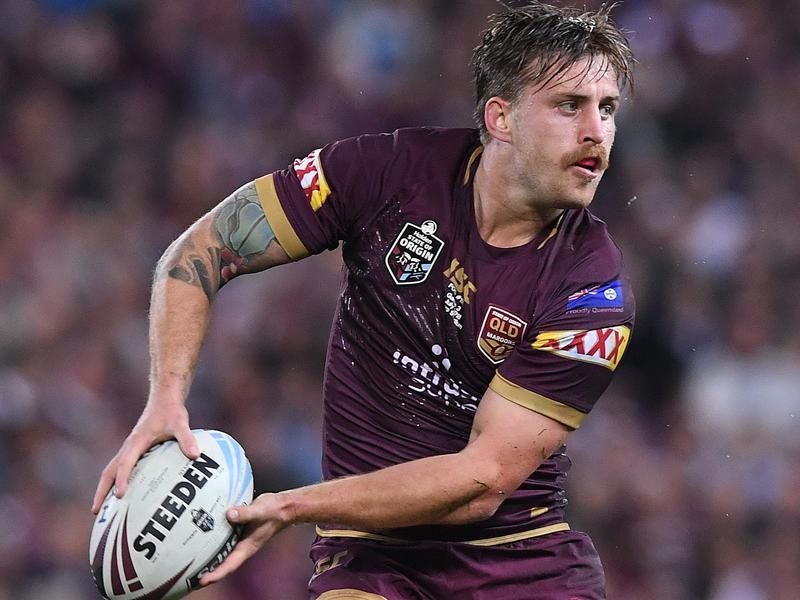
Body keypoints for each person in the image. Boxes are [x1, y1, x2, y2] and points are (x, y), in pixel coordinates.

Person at [92, 2, 636, 598]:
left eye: (607, 109)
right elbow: (204, 247)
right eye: (569, 105)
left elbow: (481, 482)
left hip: (524, 566)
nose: (596, 132)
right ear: (500, 117)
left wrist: (292, 506)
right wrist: (165, 400)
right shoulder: (386, 174)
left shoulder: (593, 292)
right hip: (372, 558)